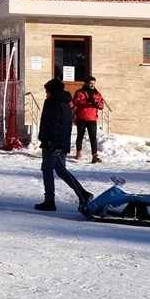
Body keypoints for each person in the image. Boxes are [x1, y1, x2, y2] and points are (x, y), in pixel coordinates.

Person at [35, 79, 93, 212]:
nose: (45, 93)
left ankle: (50, 201)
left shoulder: (52, 102)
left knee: (47, 169)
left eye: (47, 91)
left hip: (52, 143)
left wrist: (50, 141)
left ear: (52, 91)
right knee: (60, 170)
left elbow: (51, 123)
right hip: (61, 142)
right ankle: (83, 194)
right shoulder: (66, 102)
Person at [73, 77, 104, 163]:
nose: (92, 85)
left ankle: (94, 155)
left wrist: (96, 103)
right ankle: (78, 151)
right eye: (91, 83)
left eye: (94, 83)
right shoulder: (79, 92)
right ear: (86, 83)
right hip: (81, 117)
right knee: (80, 135)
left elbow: (102, 106)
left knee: (93, 137)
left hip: (92, 118)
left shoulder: (97, 94)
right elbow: (75, 102)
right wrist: (87, 102)